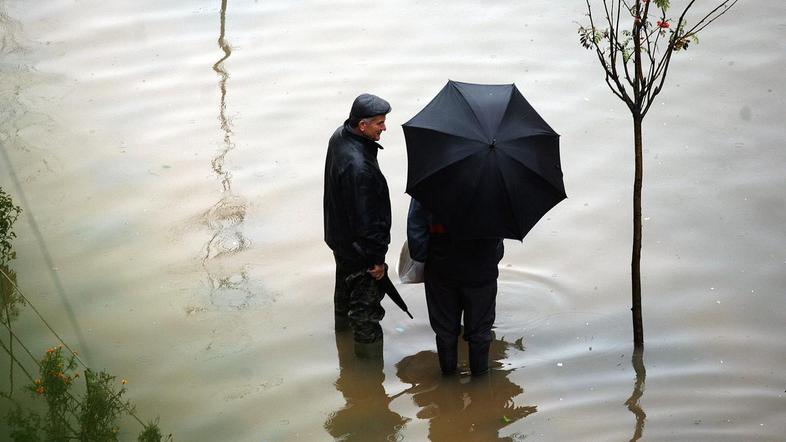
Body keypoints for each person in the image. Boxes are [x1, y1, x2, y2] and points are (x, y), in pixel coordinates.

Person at [324, 93, 392, 357]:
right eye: (379, 123)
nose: (384, 127)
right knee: (367, 316)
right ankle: (369, 378)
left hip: (340, 241)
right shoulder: (360, 167)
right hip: (361, 253)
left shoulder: (340, 136)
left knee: (343, 297)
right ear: (362, 125)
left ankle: (343, 352)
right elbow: (368, 220)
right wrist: (377, 260)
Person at [407, 198, 504, 375]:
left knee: (445, 330)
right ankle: (480, 384)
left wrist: (421, 257)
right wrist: (493, 255)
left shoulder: (431, 177)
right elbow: (502, 227)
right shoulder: (495, 178)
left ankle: (448, 378)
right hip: (481, 266)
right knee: (480, 331)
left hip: (441, 265)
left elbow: (416, 226)